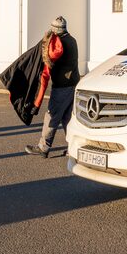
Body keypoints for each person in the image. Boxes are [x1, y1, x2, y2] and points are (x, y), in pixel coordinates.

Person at [25, 16, 80, 158]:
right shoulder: (72, 40)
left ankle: (43, 147)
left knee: (52, 116)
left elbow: (50, 60)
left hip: (62, 86)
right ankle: (73, 148)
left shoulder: (58, 43)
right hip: (74, 83)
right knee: (68, 118)